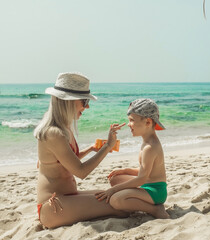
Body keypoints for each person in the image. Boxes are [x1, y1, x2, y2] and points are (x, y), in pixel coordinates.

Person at [34, 72, 128, 228]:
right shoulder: (54, 133)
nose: (87, 106)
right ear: (68, 101)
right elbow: (81, 171)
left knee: (116, 197)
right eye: (84, 101)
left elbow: (65, 160)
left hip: (66, 198)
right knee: (121, 207)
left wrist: (91, 149)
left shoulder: (63, 128)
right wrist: (107, 147)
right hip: (52, 206)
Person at [95, 99, 170, 219]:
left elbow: (141, 178)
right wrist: (125, 171)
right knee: (115, 178)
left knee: (116, 200)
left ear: (148, 122)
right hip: (147, 185)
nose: (129, 124)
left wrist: (113, 190)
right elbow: (144, 171)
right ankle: (136, 202)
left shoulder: (150, 147)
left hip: (155, 192)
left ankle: (155, 209)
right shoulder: (147, 141)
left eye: (132, 120)